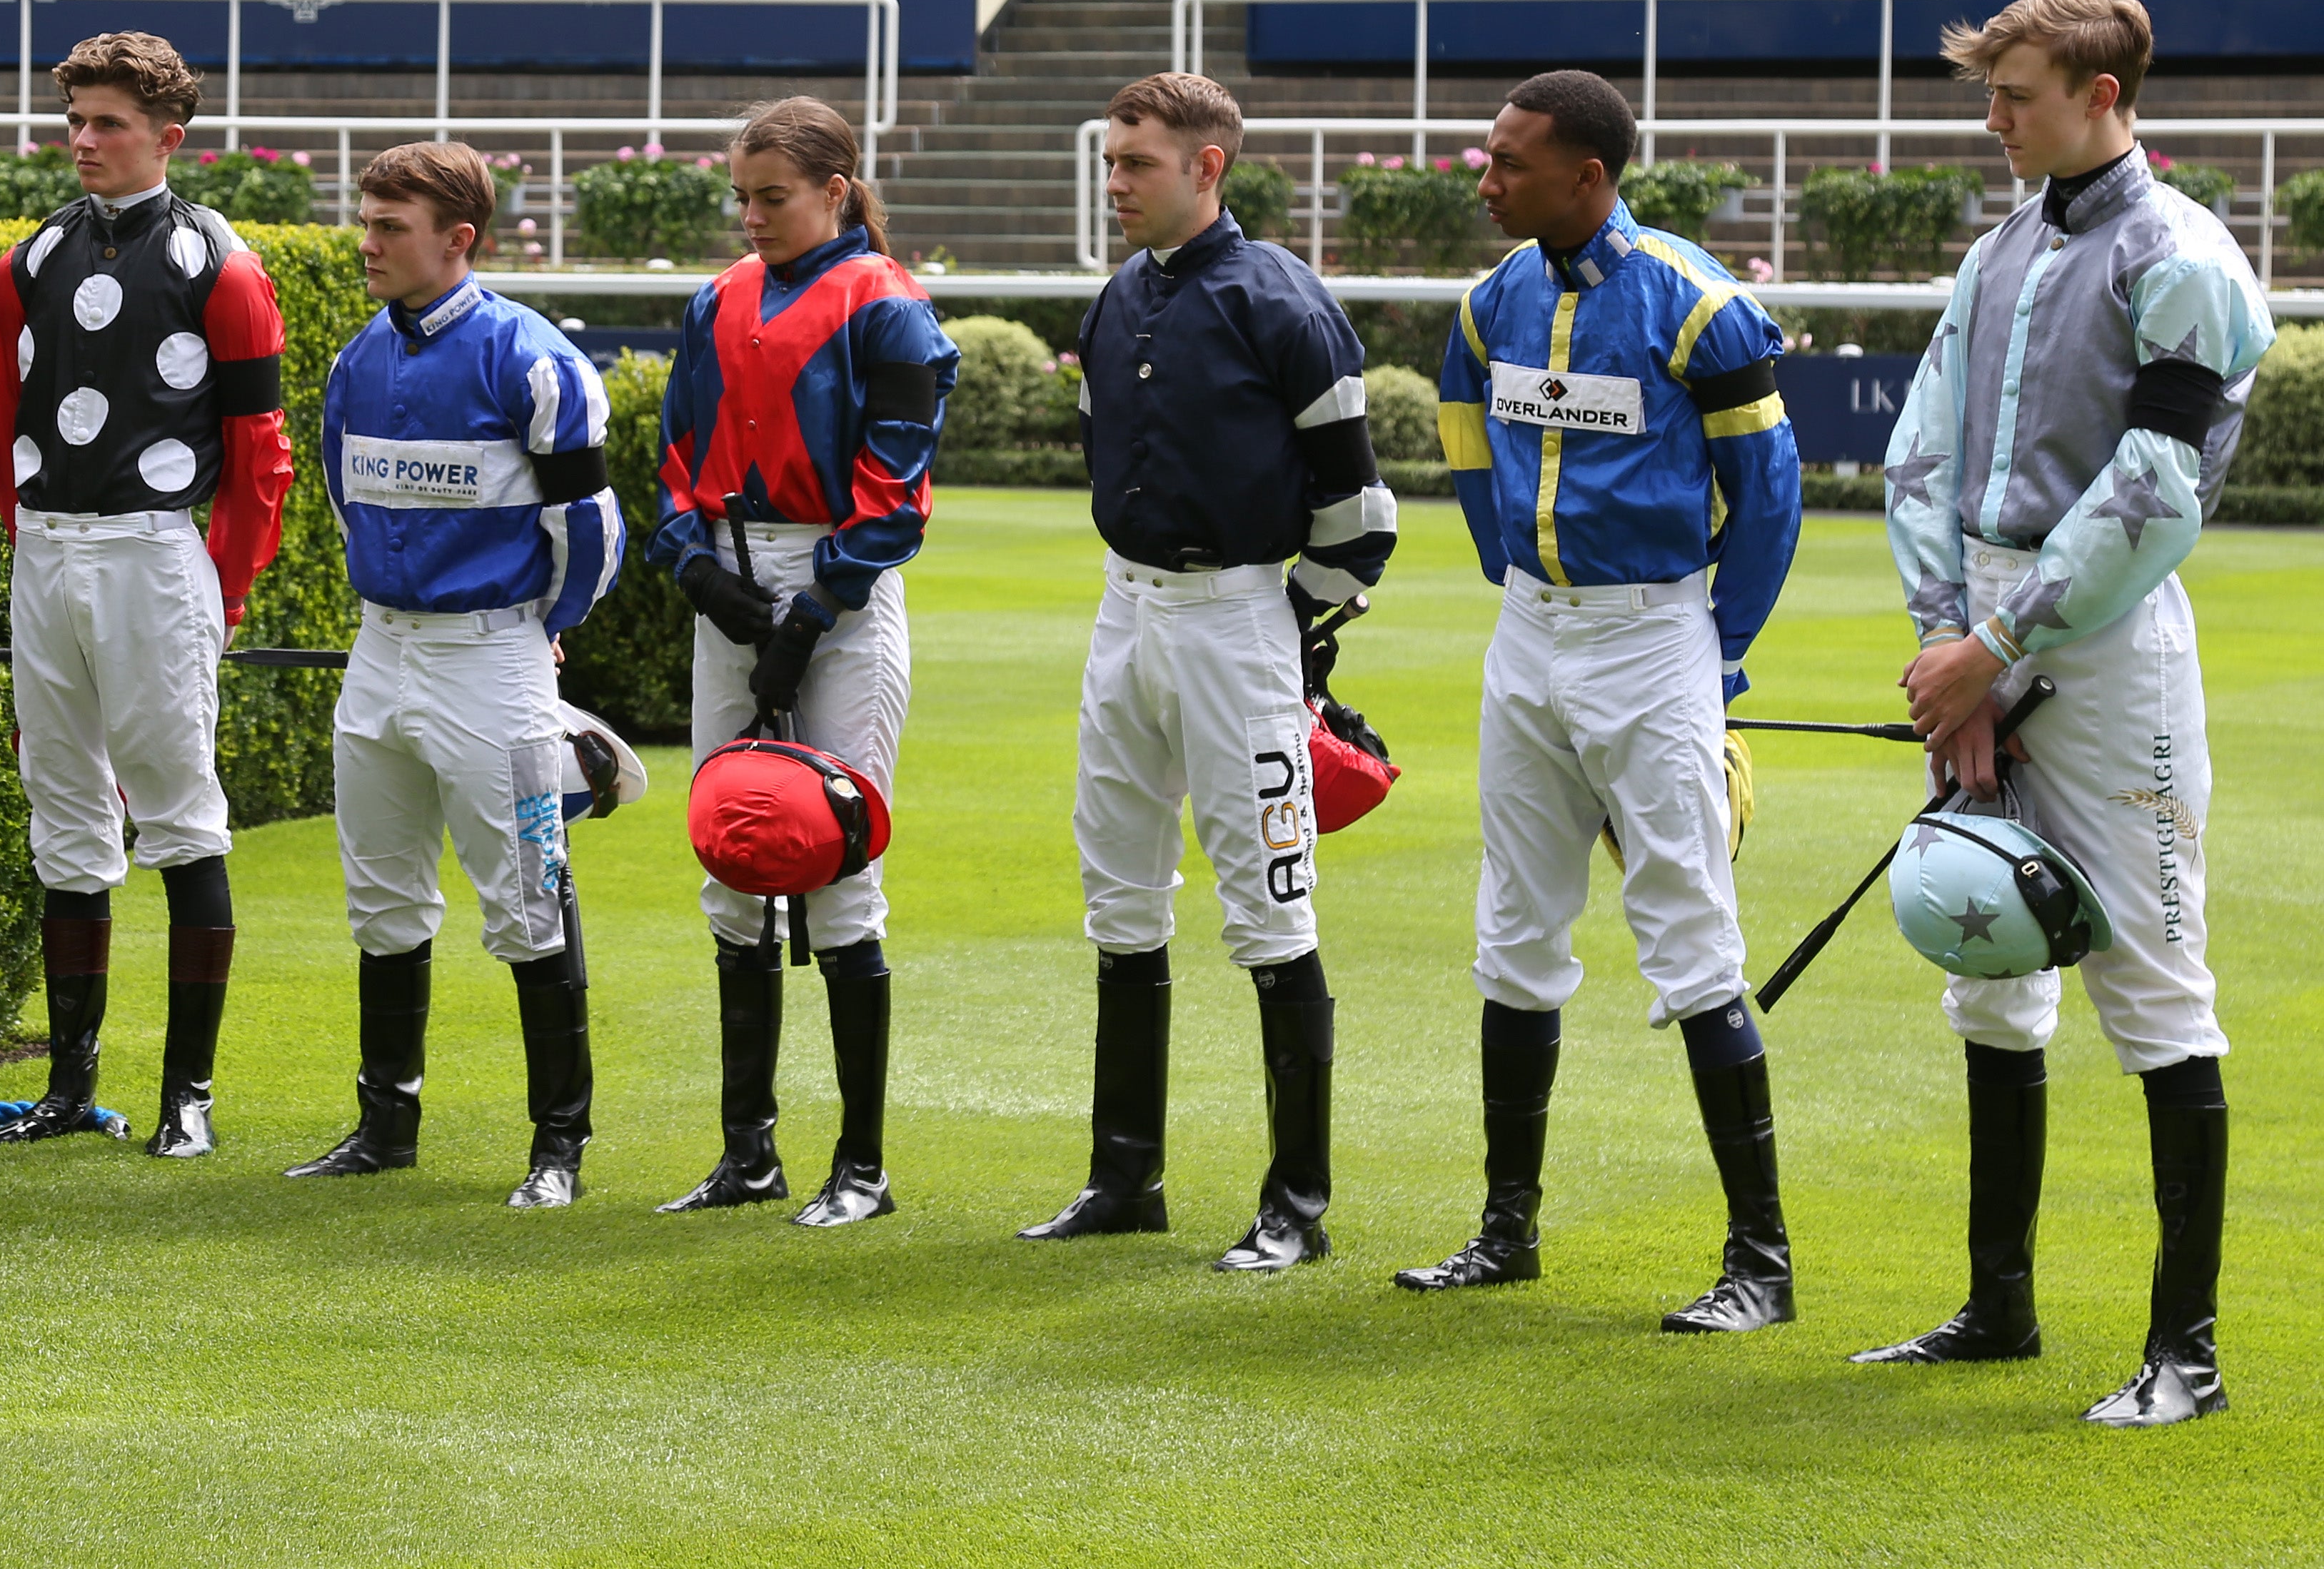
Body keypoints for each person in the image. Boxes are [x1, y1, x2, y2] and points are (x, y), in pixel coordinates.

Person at [1870, 0, 2268, 1427]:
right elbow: (1922, 454)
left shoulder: (2183, 254)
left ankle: (2191, 1354)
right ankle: (1999, 1306)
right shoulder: (2005, 244)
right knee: (1986, 961)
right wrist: (1947, 651)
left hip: (2104, 649)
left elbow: (2159, 489)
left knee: (2154, 984)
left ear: (2104, 95)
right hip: (1986, 633)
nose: (1994, 119)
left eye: (2017, 95)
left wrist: (1998, 645)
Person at [1403, 69, 1804, 1329]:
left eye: (1510, 162)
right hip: (1529, 635)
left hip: (1654, 639)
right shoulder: (1490, 302)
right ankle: (1505, 1232)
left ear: (1589, 176)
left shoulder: (1698, 304)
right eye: (1488, 155)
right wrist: (1507, 569)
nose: (1487, 176)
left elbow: (1770, 494)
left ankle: (1761, 1267)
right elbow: (1466, 441)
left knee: (1691, 941)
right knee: (1514, 931)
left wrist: (1716, 652)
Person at [1023, 74, 1398, 1263]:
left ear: (1209, 167)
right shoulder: (1121, 293)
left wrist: (1284, 628)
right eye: (1111, 161)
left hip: (1238, 619)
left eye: (1138, 163)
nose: (1116, 182)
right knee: (1120, 899)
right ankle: (1125, 1178)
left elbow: (1362, 517)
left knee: (1270, 911)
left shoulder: (1282, 299)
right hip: (1124, 616)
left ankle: (1298, 1209)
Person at [0, 33, 290, 1158]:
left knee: (179, 812)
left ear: (168, 137)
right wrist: (28, 533)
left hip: (157, 556)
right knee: (61, 809)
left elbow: (261, 449)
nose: (85, 142)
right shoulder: (36, 256)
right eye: (76, 122)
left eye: (108, 124)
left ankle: (187, 1096)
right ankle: (66, 1086)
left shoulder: (222, 264)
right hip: (49, 553)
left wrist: (227, 589)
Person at [647, 98, 955, 1229]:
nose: (753, 215)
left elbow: (899, 489)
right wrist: (694, 569)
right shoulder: (717, 297)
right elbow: (677, 448)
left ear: (837, 188)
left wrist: (810, 609)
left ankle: (862, 1168)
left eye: (772, 196)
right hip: (731, 579)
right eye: (743, 195)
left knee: (836, 865)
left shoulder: (889, 305)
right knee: (732, 858)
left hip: (845, 597)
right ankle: (749, 1155)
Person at [293, 141, 620, 1208]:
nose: (369, 243)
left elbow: (591, 528)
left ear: (458, 239)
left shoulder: (531, 357)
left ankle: (558, 1149)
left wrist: (545, 628)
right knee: (382, 902)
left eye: (392, 227)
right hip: (380, 652)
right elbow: (349, 502)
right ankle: (385, 1127)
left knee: (530, 900)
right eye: (369, 220)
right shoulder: (356, 361)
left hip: (494, 660)